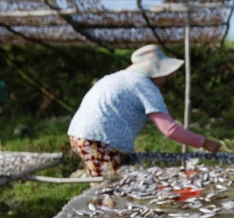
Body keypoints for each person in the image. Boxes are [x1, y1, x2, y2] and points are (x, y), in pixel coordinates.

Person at [67, 44, 222, 177]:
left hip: (83, 135)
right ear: (153, 72)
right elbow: (169, 129)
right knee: (109, 190)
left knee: (130, 179)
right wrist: (205, 143)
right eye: (163, 76)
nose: (164, 81)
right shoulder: (143, 84)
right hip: (99, 140)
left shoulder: (118, 78)